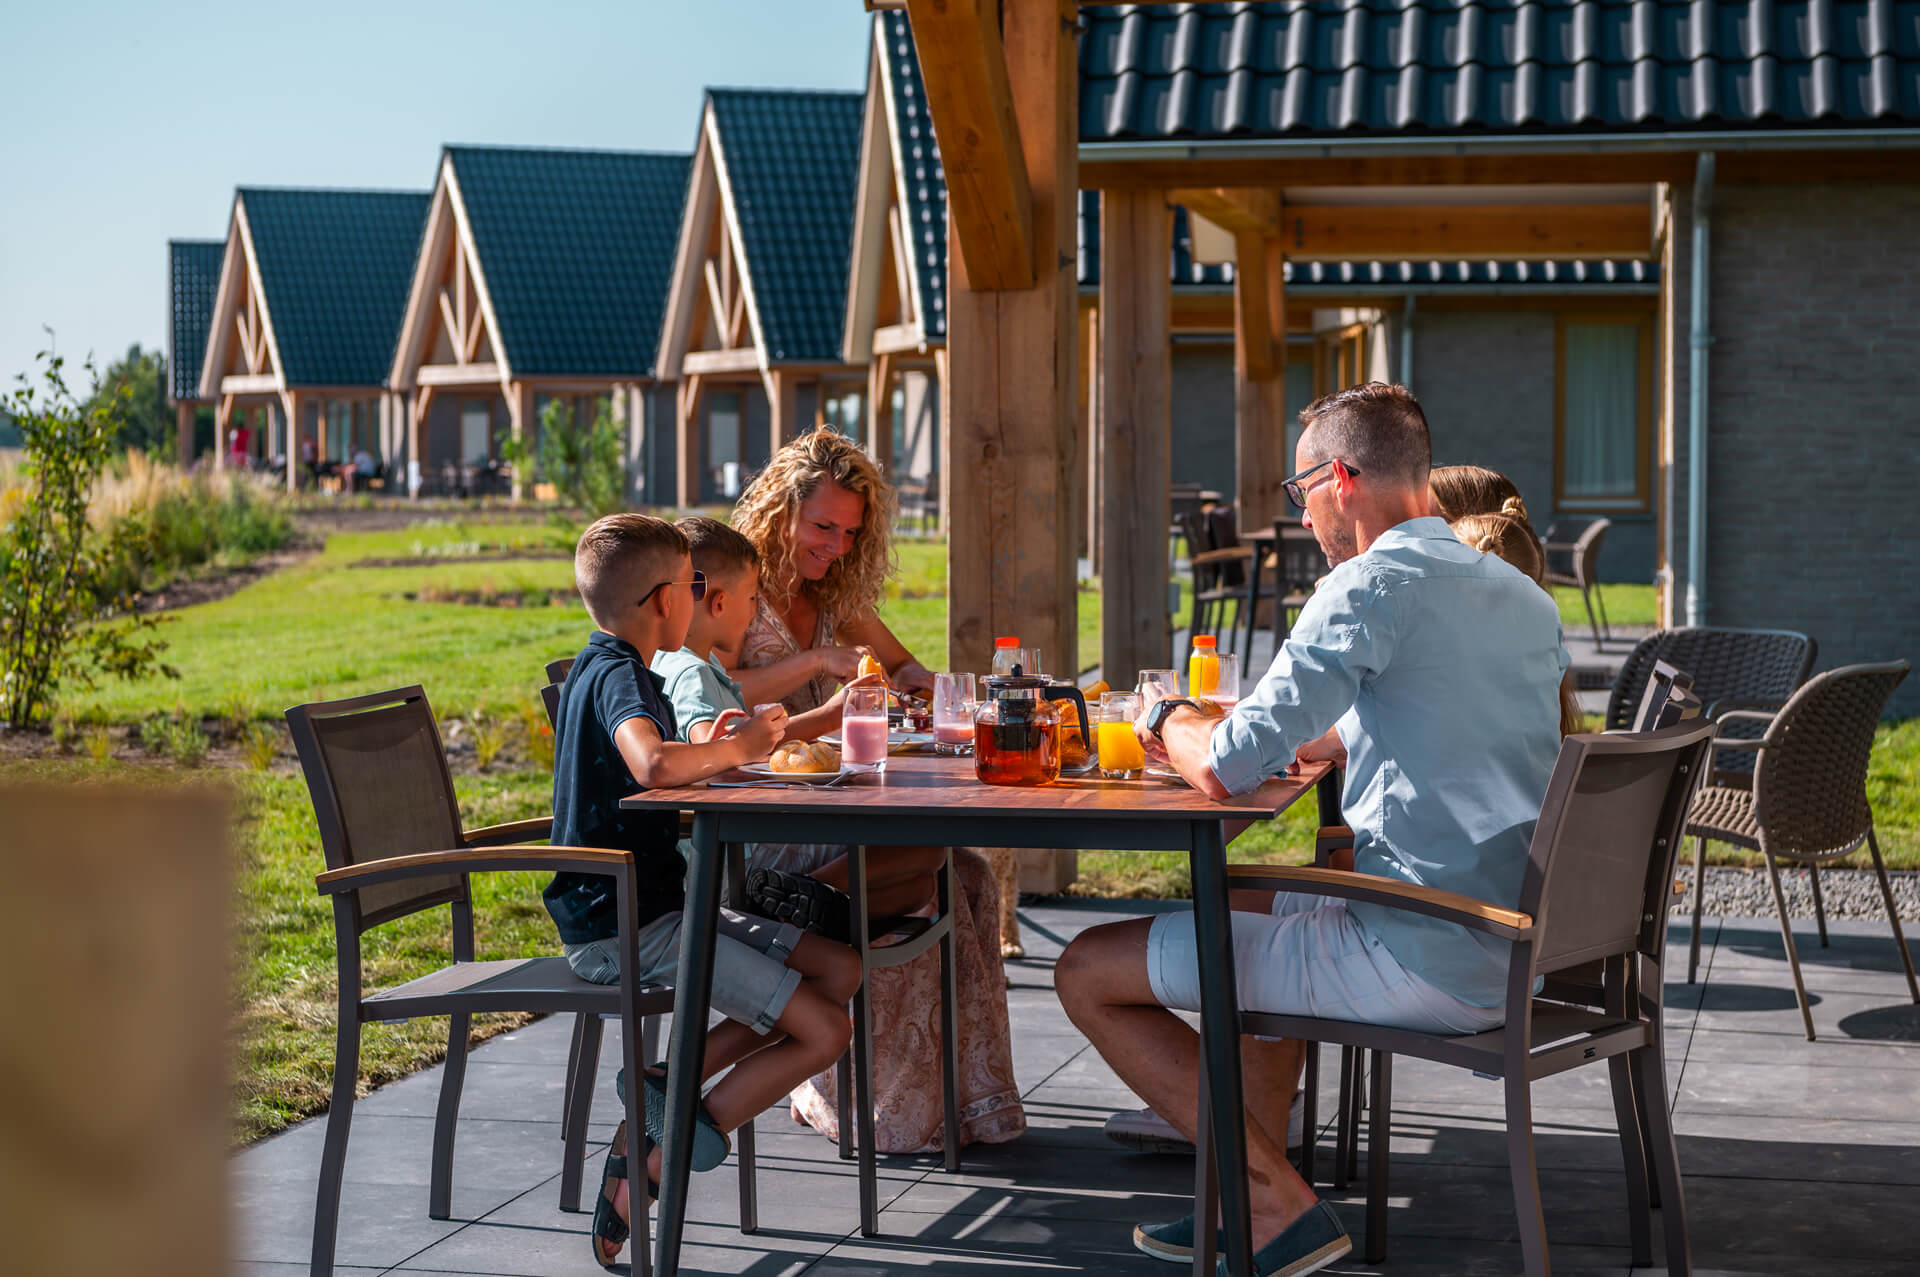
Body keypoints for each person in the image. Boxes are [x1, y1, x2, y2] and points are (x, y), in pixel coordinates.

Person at [1054, 383, 1567, 1276]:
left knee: (1085, 967)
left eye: (1300, 494)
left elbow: (1220, 766)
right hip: (1511, 935)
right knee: (1253, 896)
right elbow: (1410, 716)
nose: (1300, 517)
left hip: (1422, 950)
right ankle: (1246, 1194)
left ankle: (1275, 1205)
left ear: (1340, 478)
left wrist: (1166, 716)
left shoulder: (1365, 587)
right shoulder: (1519, 595)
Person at [541, 513, 864, 1269]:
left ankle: (662, 1080)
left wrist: (738, 746)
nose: (697, 597)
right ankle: (658, 1150)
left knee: (841, 969)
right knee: (827, 1031)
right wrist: (744, 745)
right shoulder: (620, 674)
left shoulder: (625, 667)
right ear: (665, 599)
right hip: (625, 928)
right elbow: (652, 763)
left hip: (659, 909)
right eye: (691, 584)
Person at [729, 428, 1026, 1154]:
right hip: (761, 822)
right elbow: (710, 694)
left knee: (968, 874)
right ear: (778, 510)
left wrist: (933, 688)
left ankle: (961, 1102)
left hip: (835, 800)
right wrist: (818, 662)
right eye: (822, 526)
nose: (835, 545)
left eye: (848, 532)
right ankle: (873, 1104)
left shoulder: (832, 596)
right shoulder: (735, 588)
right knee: (928, 874)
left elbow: (901, 667)